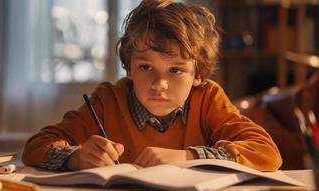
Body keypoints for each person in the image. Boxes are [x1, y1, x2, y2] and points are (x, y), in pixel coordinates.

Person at [22, 0, 282, 171]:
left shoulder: (208, 99)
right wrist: (75, 157)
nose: (159, 85)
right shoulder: (107, 101)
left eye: (176, 70)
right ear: (129, 67)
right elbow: (35, 147)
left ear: (197, 75)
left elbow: (267, 153)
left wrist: (188, 157)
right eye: (146, 67)